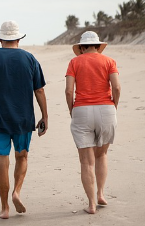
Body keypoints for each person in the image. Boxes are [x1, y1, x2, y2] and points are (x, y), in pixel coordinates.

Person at [0, 21, 48, 219]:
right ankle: (17, 191)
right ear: (19, 38)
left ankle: (5, 208)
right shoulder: (30, 58)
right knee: (22, 156)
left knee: (2, 159)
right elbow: (39, 89)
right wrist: (45, 116)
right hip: (23, 118)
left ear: (0, 38)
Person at [65, 31, 121, 214]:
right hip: (106, 109)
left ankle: (91, 204)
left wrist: (72, 109)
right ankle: (101, 194)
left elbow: (68, 91)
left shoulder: (74, 62)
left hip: (82, 110)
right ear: (98, 46)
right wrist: (114, 105)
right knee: (101, 155)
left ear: (81, 47)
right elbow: (117, 87)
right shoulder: (109, 61)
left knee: (86, 161)